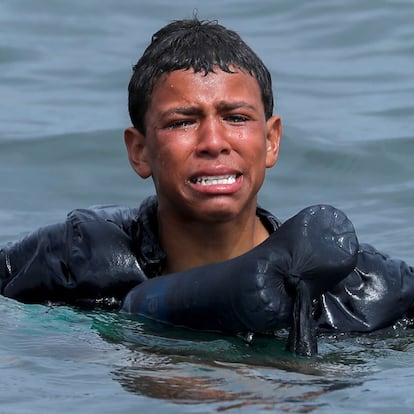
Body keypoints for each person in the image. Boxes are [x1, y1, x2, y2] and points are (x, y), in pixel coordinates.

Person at [1, 18, 414, 356]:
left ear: (271, 141)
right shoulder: (82, 258)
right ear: (139, 151)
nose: (214, 142)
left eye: (236, 117)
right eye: (182, 121)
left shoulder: (363, 293)